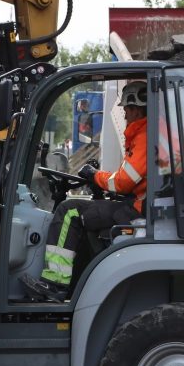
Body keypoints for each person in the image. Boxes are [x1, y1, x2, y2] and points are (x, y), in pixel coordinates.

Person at [22, 81, 149, 301]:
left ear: (135, 109)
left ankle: (54, 284)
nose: (125, 116)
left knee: (69, 211)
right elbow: (128, 177)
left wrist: (94, 176)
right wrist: (98, 179)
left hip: (136, 210)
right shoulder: (150, 135)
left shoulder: (145, 137)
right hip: (140, 205)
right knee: (84, 207)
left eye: (126, 110)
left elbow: (124, 182)